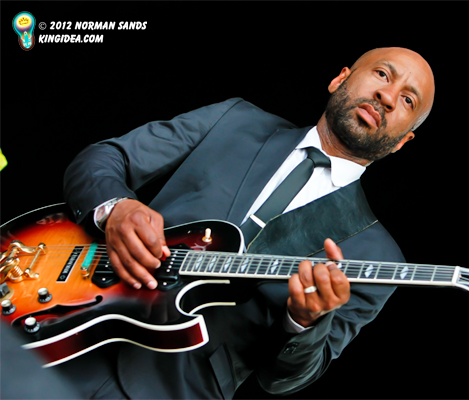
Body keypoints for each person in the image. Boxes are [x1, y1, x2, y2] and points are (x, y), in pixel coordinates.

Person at [60, 47, 435, 399]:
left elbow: (284, 379)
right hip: (67, 319)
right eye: (382, 74)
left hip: (171, 388)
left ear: (402, 142)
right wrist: (117, 208)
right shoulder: (234, 119)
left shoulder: (378, 257)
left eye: (408, 100)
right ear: (340, 79)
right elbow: (105, 159)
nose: (388, 96)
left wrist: (305, 321)